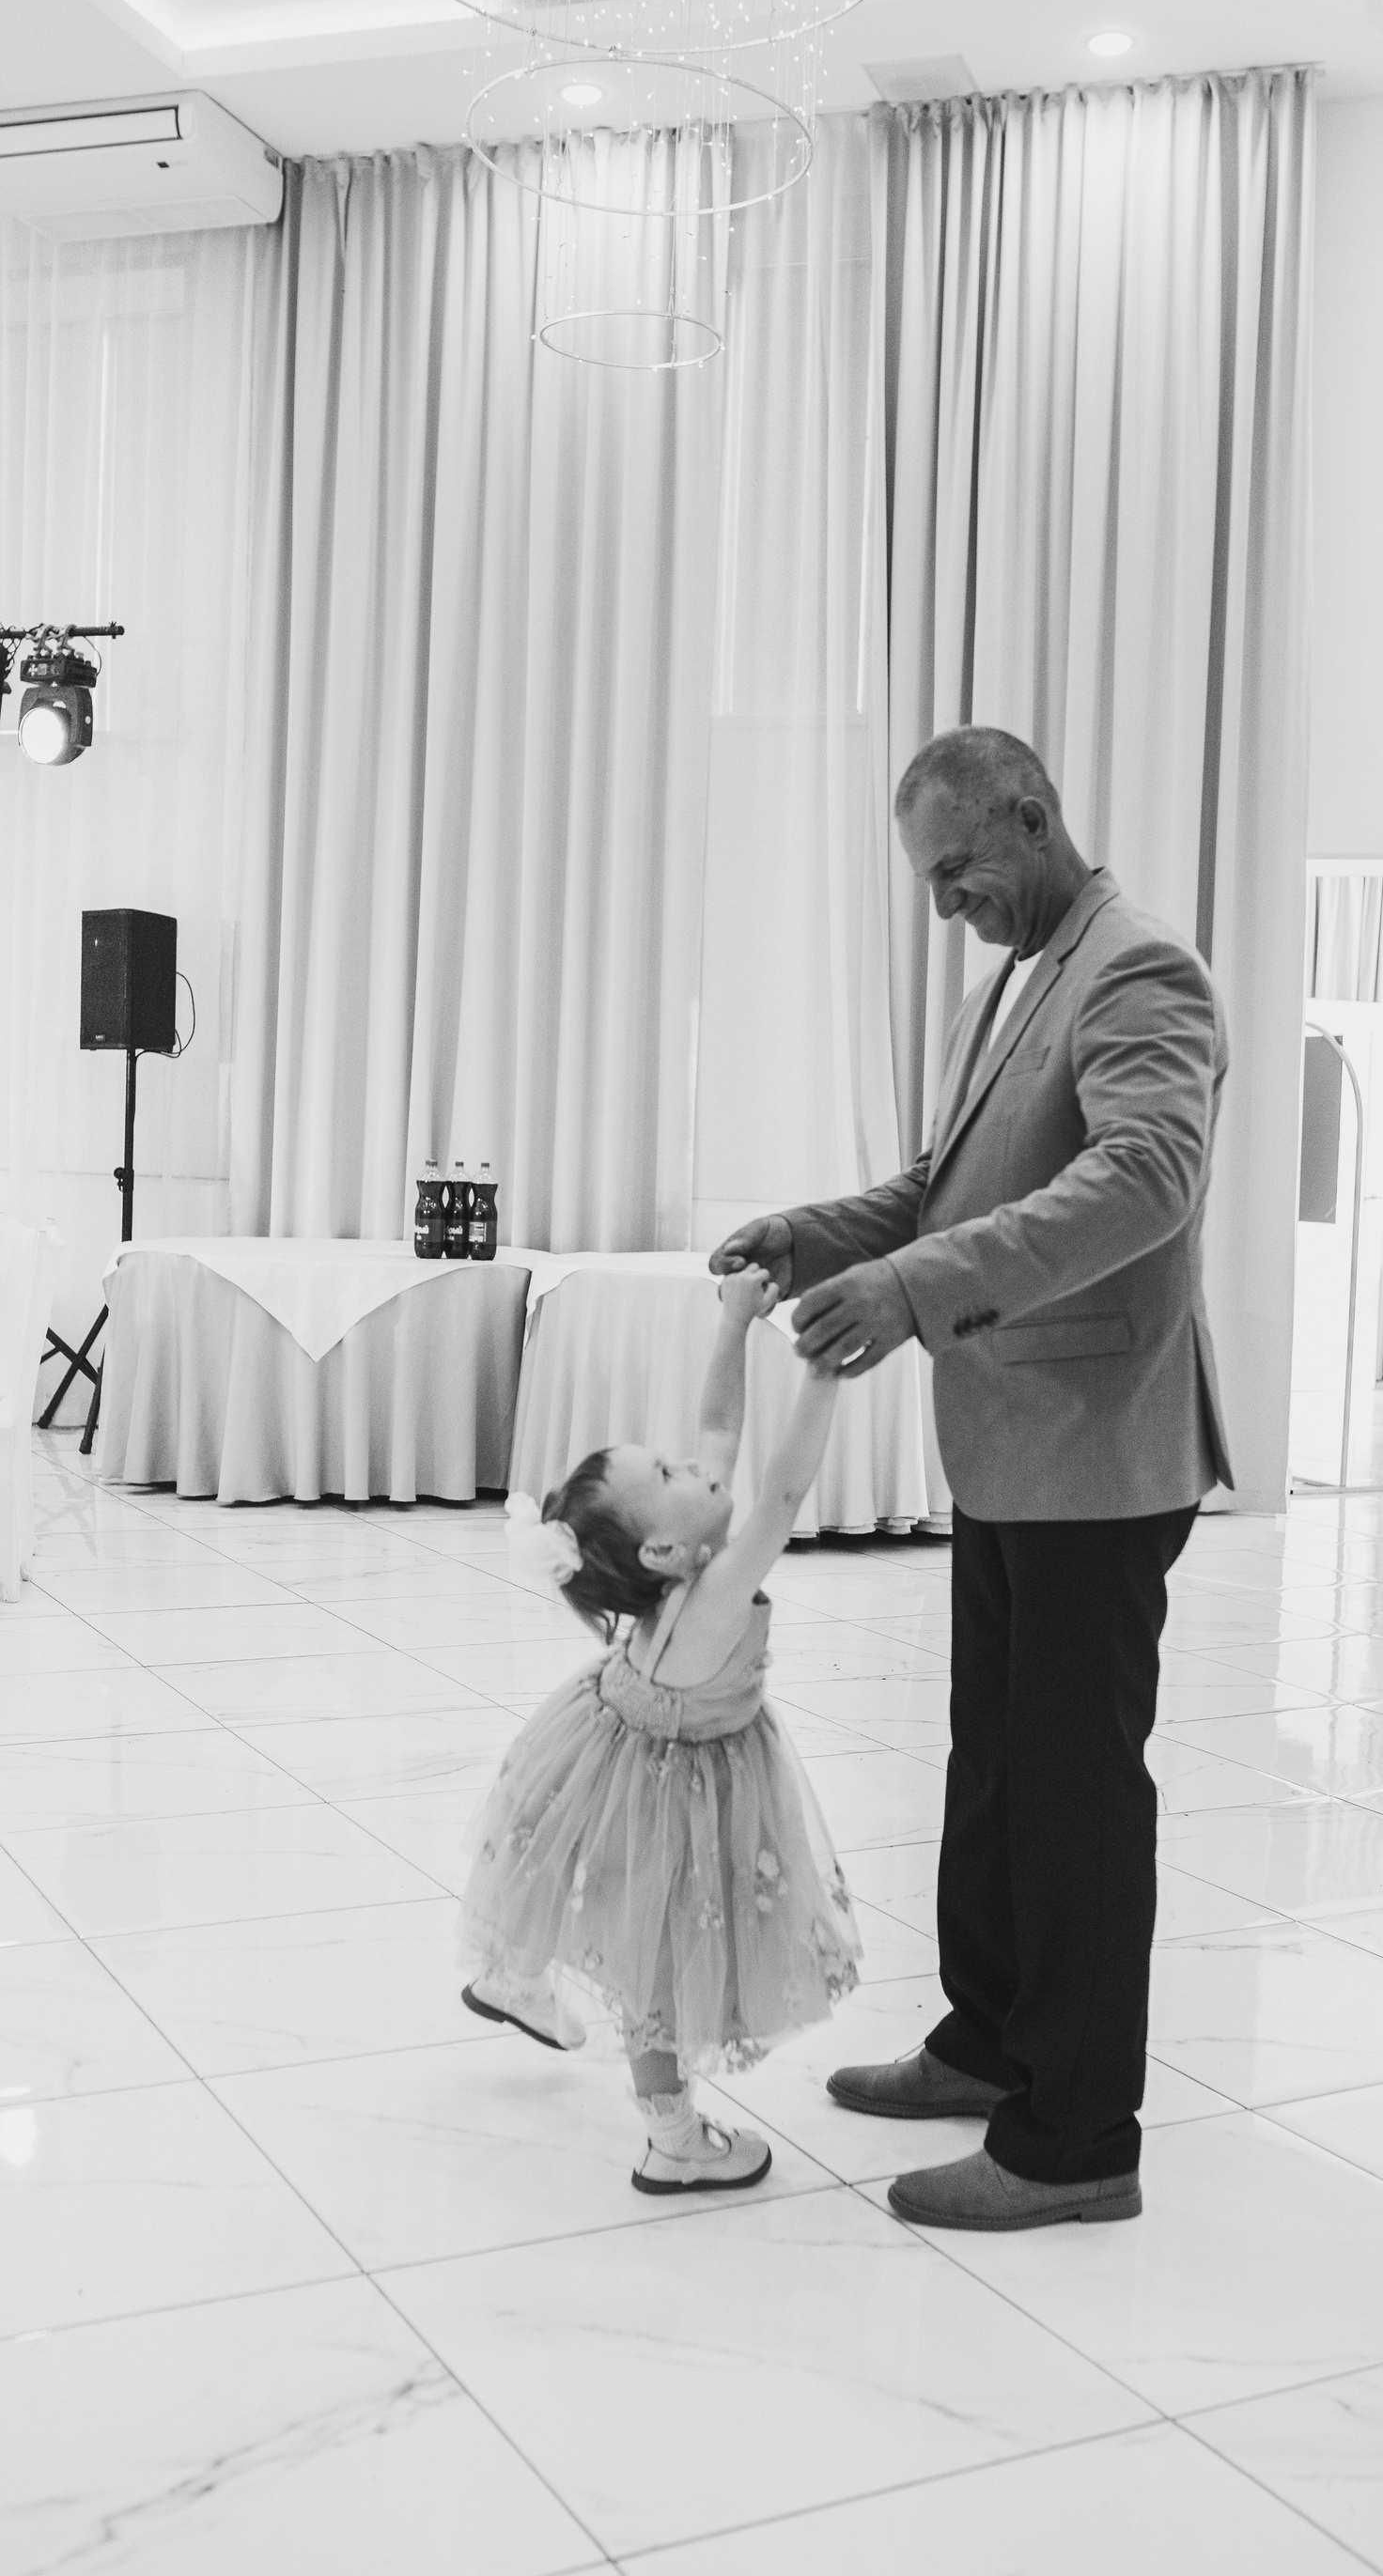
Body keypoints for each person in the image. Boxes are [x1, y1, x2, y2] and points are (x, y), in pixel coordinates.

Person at [711, 724, 1233, 2235]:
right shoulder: (1009, 982)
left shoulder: (1139, 967)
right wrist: (812, 1238)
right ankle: (990, 2039)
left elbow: (1144, 1179)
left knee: (1074, 1798)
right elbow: (947, 1188)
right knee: (995, 1766)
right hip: (1010, 1446)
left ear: (1034, 814)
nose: (947, 905)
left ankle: (1075, 2141)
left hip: (1098, 1453)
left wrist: (915, 1292)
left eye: (959, 870)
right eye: (929, 883)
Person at [458, 1266, 862, 2195]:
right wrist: (822, 1376)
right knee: (661, 1958)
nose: (697, 1465)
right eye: (672, 1476)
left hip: (612, 1739)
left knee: (574, 1871)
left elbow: (720, 1427)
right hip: (673, 1781)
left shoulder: (679, 1571)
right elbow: (783, 1494)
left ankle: (516, 1974)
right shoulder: (714, 1593)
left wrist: (734, 1323)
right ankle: (672, 2137)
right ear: (663, 1551)